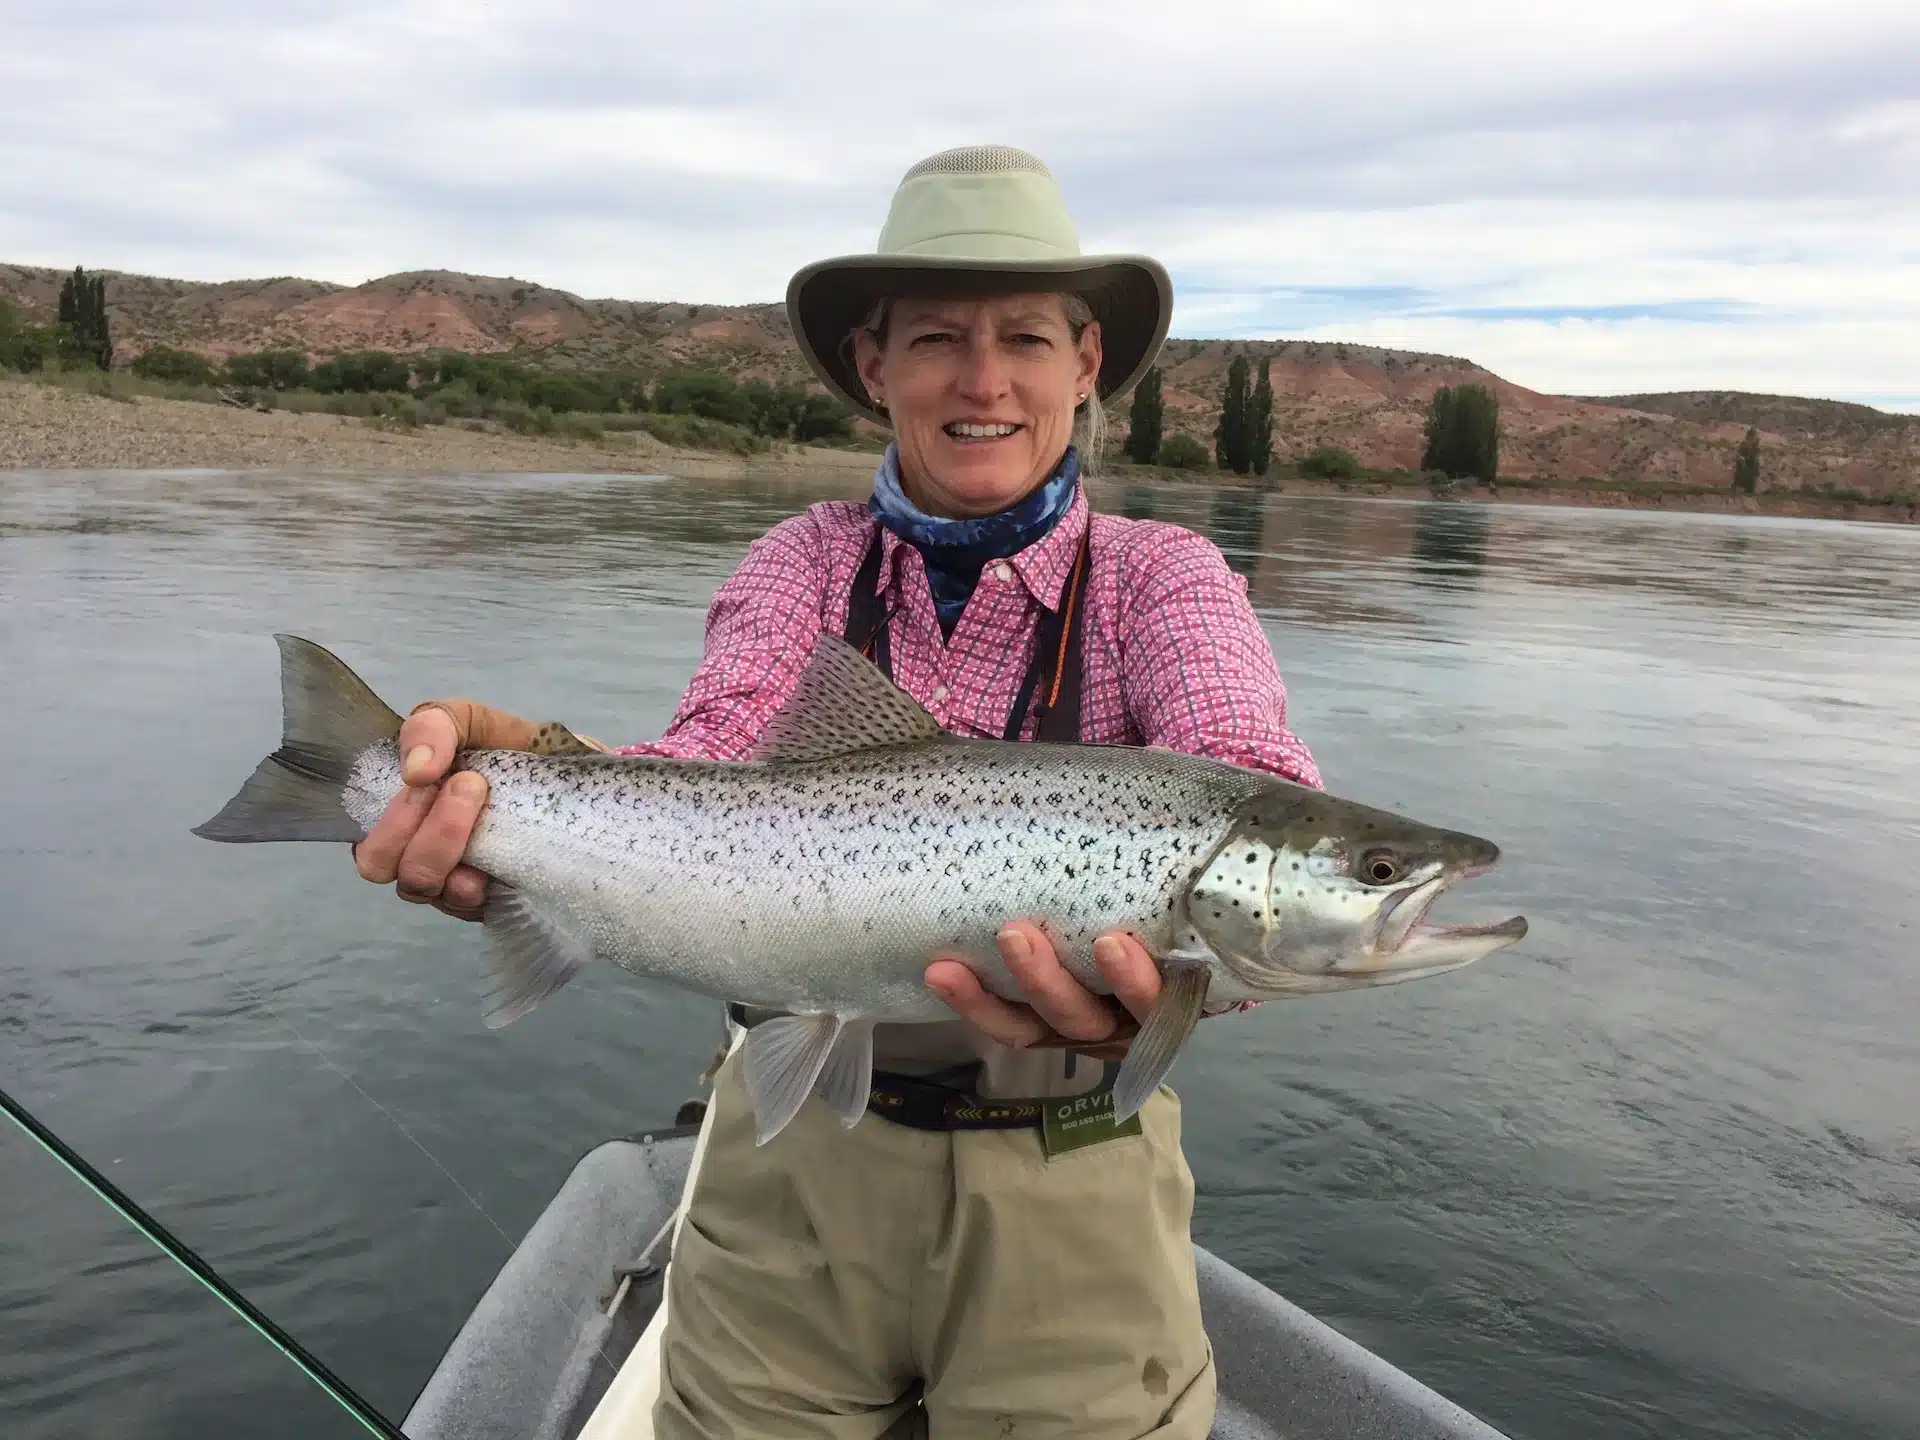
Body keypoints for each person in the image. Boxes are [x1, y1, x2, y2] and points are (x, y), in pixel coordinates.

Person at [351, 145, 1322, 1439]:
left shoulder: (1167, 581)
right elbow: (703, 776)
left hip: (1078, 1162)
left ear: (1085, 363)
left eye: (1025, 337)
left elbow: (1249, 772)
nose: (984, 380)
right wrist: (515, 781)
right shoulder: (801, 563)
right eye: (937, 340)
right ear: (876, 368)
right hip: (791, 1155)